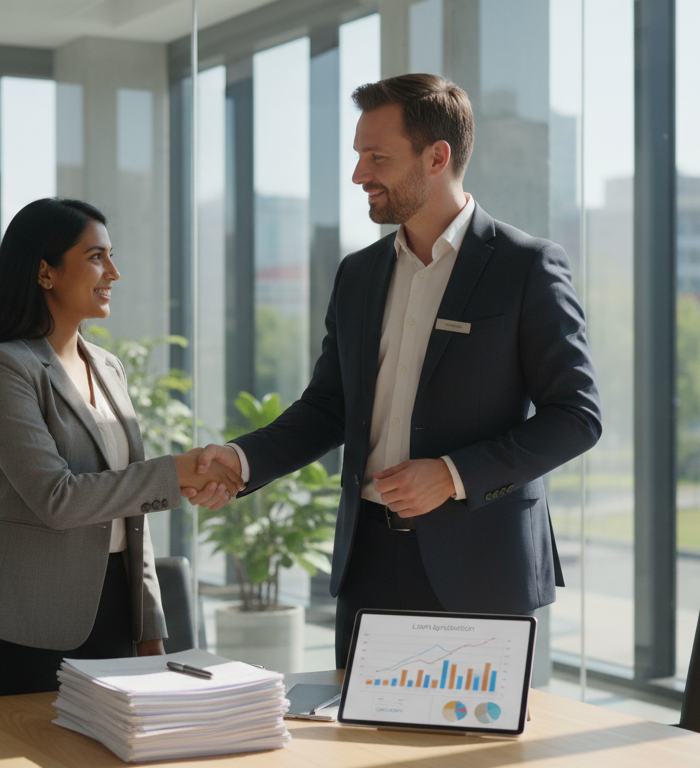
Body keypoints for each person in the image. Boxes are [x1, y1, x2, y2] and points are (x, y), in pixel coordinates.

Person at [192, 74, 602, 666]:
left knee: (471, 759)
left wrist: (453, 473)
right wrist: (242, 460)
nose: (359, 174)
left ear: (437, 157)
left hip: (482, 572)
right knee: (356, 747)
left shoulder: (527, 267)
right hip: (369, 568)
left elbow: (577, 417)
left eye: (376, 157)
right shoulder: (357, 274)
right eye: (358, 155)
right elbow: (329, 405)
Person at [0, 198, 243, 698]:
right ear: (45, 273)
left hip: (114, 614)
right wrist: (175, 472)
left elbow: (131, 515)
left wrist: (149, 625)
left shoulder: (108, 367)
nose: (114, 272)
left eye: (111, 256)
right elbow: (57, 499)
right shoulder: (2, 368)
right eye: (95, 257)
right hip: (23, 623)